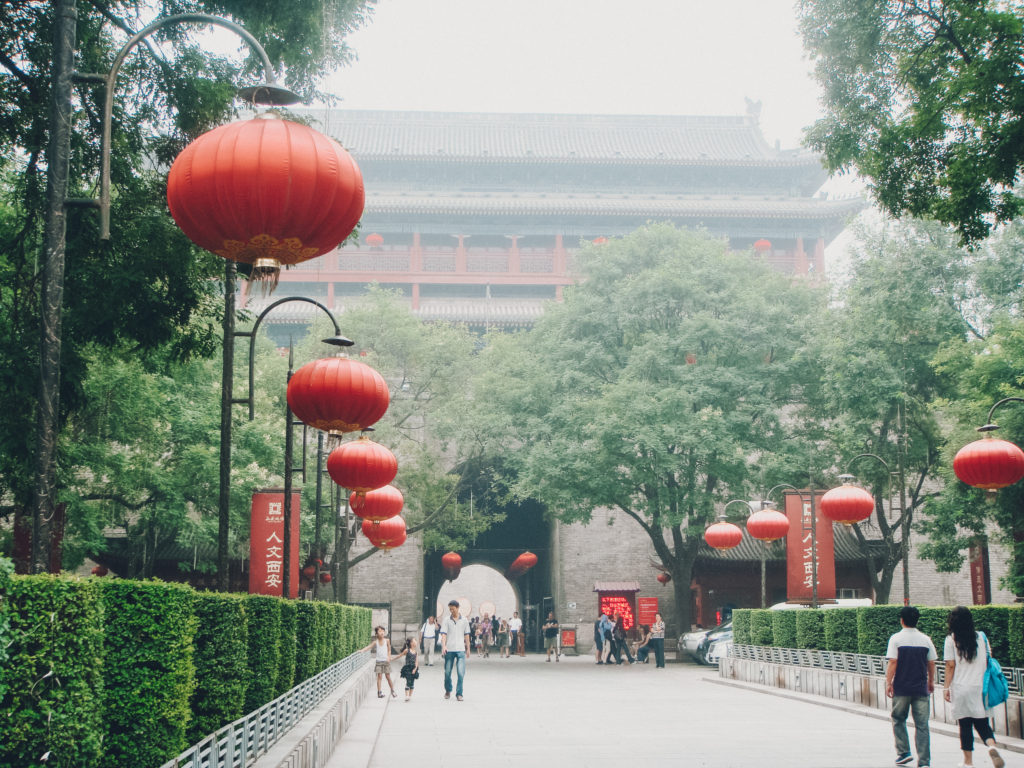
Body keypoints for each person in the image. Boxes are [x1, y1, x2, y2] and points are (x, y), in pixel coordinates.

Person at [943, 606, 1005, 768]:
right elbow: (988, 659)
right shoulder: (982, 638)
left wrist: (945, 688)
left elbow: (950, 666)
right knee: (982, 723)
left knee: (965, 725)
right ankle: (991, 746)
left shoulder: (951, 640)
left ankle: (968, 762)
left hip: (961, 687)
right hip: (980, 688)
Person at [885, 605, 937, 768]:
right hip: (921, 688)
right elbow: (931, 662)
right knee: (922, 725)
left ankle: (904, 752)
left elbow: (893, 662)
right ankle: (924, 761)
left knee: (898, 718)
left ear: (902, 620)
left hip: (902, 687)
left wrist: (888, 682)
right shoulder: (926, 639)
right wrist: (930, 681)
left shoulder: (896, 639)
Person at [440, 599, 471, 701]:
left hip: (460, 650)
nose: (451, 611)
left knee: (461, 673)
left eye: (453, 609)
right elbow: (443, 634)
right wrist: (443, 646)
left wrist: (468, 648)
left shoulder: (464, 620)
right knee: (447, 672)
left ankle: (459, 693)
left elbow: (467, 635)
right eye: (450, 609)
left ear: (457, 608)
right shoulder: (446, 620)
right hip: (449, 650)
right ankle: (448, 690)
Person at [362, 625, 397, 699]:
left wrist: (389, 656)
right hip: (379, 661)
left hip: (386, 661)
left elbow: (389, 649)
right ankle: (379, 692)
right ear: (376, 633)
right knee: (379, 676)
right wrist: (362, 650)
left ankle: (392, 690)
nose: (382, 632)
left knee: (388, 676)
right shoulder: (376, 642)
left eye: (383, 631)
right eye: (380, 631)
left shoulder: (387, 640)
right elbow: (369, 647)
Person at [398, 637, 420, 702]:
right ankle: (407, 696)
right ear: (411, 643)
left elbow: (416, 662)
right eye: (414, 641)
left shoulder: (416, 652)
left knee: (412, 683)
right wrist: (391, 659)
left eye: (416, 641)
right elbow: (400, 655)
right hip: (407, 668)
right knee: (408, 682)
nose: (416, 642)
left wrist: (415, 669)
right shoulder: (407, 650)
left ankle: (410, 696)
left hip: (414, 668)